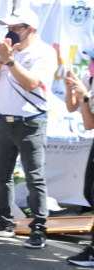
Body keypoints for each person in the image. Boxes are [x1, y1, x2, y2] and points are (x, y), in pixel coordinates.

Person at [0, 8, 56, 249]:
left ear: (30, 29)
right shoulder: (3, 50)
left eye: (16, 28)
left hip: (31, 123)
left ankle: (39, 228)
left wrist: (10, 61)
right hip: (4, 121)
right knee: (1, 175)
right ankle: (2, 223)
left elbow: (31, 83)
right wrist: (2, 59)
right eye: (8, 28)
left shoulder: (44, 52)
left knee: (34, 177)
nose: (10, 32)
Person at [64, 50, 94, 266]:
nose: (92, 63)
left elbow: (89, 123)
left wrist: (84, 96)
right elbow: (72, 106)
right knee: (88, 193)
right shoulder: (90, 76)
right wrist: (70, 90)